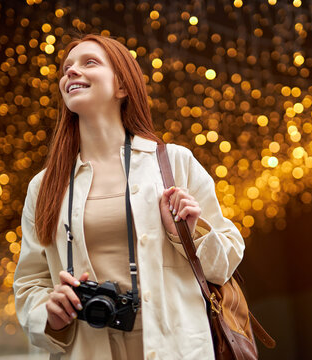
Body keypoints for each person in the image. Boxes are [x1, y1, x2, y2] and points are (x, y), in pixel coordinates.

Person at [13, 33, 245, 360]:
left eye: (89, 62)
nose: (71, 73)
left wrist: (189, 233)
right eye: (66, 69)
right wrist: (48, 313)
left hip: (175, 347)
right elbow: (29, 283)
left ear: (122, 87)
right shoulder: (44, 186)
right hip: (88, 348)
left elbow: (226, 262)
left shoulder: (173, 162)